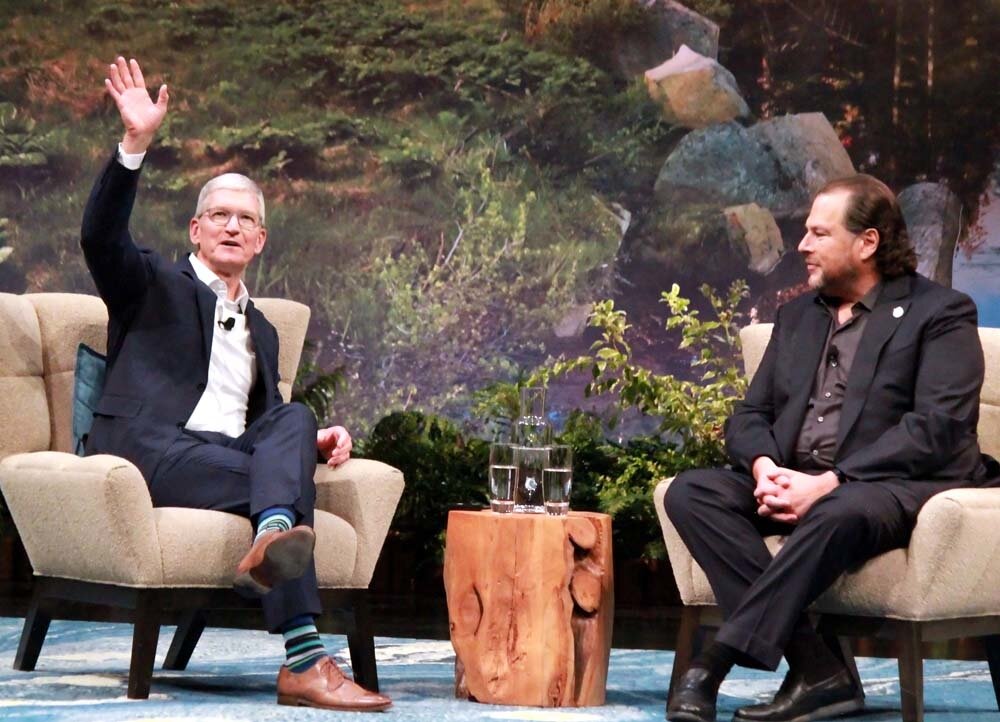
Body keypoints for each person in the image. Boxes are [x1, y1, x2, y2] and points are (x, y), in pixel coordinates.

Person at [81, 56, 391, 713]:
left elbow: (264, 432)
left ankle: (271, 535)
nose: (229, 225)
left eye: (243, 220)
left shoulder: (267, 331)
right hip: (149, 452)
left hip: (220, 460)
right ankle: (305, 659)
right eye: (217, 215)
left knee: (299, 420)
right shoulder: (150, 284)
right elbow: (100, 235)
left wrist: (311, 440)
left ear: (260, 240)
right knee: (283, 482)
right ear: (196, 230)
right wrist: (133, 145)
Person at [664, 173, 998, 722]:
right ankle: (819, 668)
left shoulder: (940, 313)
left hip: (889, 486)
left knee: (837, 512)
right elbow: (751, 415)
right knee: (691, 492)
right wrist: (766, 467)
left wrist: (828, 482)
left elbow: (936, 428)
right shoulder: (798, 316)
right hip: (799, 476)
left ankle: (713, 664)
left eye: (819, 233)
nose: (802, 246)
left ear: (867, 242)